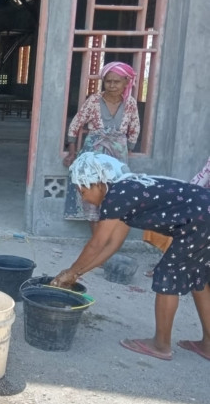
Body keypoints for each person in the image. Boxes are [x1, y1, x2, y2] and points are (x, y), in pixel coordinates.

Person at [52, 152, 210, 362]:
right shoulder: (125, 190)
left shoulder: (116, 196)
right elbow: (111, 245)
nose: (83, 197)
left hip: (199, 221)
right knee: (197, 277)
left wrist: (70, 272)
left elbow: (97, 243)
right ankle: (208, 344)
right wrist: (78, 273)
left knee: (167, 275)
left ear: (98, 183)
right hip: (203, 216)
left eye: (83, 189)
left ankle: (161, 345)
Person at [63, 61, 141, 229]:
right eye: (108, 81)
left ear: (126, 82)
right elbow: (75, 125)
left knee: (114, 194)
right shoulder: (94, 100)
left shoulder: (130, 104)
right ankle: (97, 239)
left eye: (117, 81)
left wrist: (128, 150)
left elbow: (134, 129)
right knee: (93, 192)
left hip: (118, 155)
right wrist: (72, 152)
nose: (112, 85)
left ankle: (106, 238)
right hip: (94, 153)